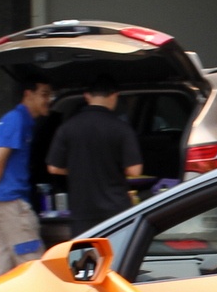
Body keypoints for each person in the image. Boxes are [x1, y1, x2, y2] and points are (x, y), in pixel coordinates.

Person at [45, 75, 143, 235]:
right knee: (116, 250)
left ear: (87, 96)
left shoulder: (67, 128)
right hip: (116, 209)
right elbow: (135, 170)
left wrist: (78, 168)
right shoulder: (122, 128)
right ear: (114, 96)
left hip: (81, 210)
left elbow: (53, 168)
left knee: (85, 250)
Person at [0, 79, 53, 275]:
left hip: (6, 205)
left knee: (6, 272)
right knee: (34, 268)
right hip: (13, 205)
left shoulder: (19, 121)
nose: (49, 100)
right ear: (28, 94)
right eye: (44, 94)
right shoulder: (16, 120)